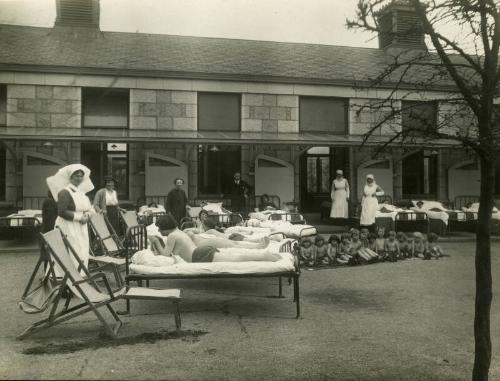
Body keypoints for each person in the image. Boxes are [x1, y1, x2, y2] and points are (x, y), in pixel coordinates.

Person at [148, 214, 280, 263]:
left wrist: (155, 241)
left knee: (236, 258)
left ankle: (264, 255)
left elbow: (166, 254)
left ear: (166, 227)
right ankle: (262, 253)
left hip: (199, 255)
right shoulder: (178, 232)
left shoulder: (172, 235)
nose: (159, 231)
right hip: (201, 251)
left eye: (160, 229)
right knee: (234, 254)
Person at [46, 164, 94, 273]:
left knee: (82, 248)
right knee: (72, 249)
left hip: (81, 225)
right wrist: (79, 217)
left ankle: (80, 274)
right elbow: (61, 212)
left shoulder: (81, 193)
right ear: (70, 177)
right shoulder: (64, 192)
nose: (79, 178)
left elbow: (89, 208)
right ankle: (67, 276)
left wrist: (88, 215)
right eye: (76, 176)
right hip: (68, 225)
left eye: (81, 176)